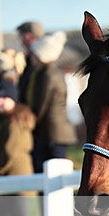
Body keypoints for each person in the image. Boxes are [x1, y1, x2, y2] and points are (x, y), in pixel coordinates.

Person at [0, 83, 36, 216]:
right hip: (7, 179)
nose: (0, 101)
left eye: (5, 97)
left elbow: (11, 151)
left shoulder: (16, 121)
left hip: (16, 177)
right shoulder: (2, 120)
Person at [24, 30, 75, 172]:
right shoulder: (44, 73)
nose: (32, 57)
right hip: (50, 132)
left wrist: (30, 121)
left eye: (35, 54)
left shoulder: (48, 75)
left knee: (54, 172)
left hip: (52, 133)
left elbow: (41, 104)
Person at [16, 20, 45, 104]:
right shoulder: (30, 59)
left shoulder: (40, 60)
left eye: (20, 37)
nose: (20, 42)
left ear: (27, 36)